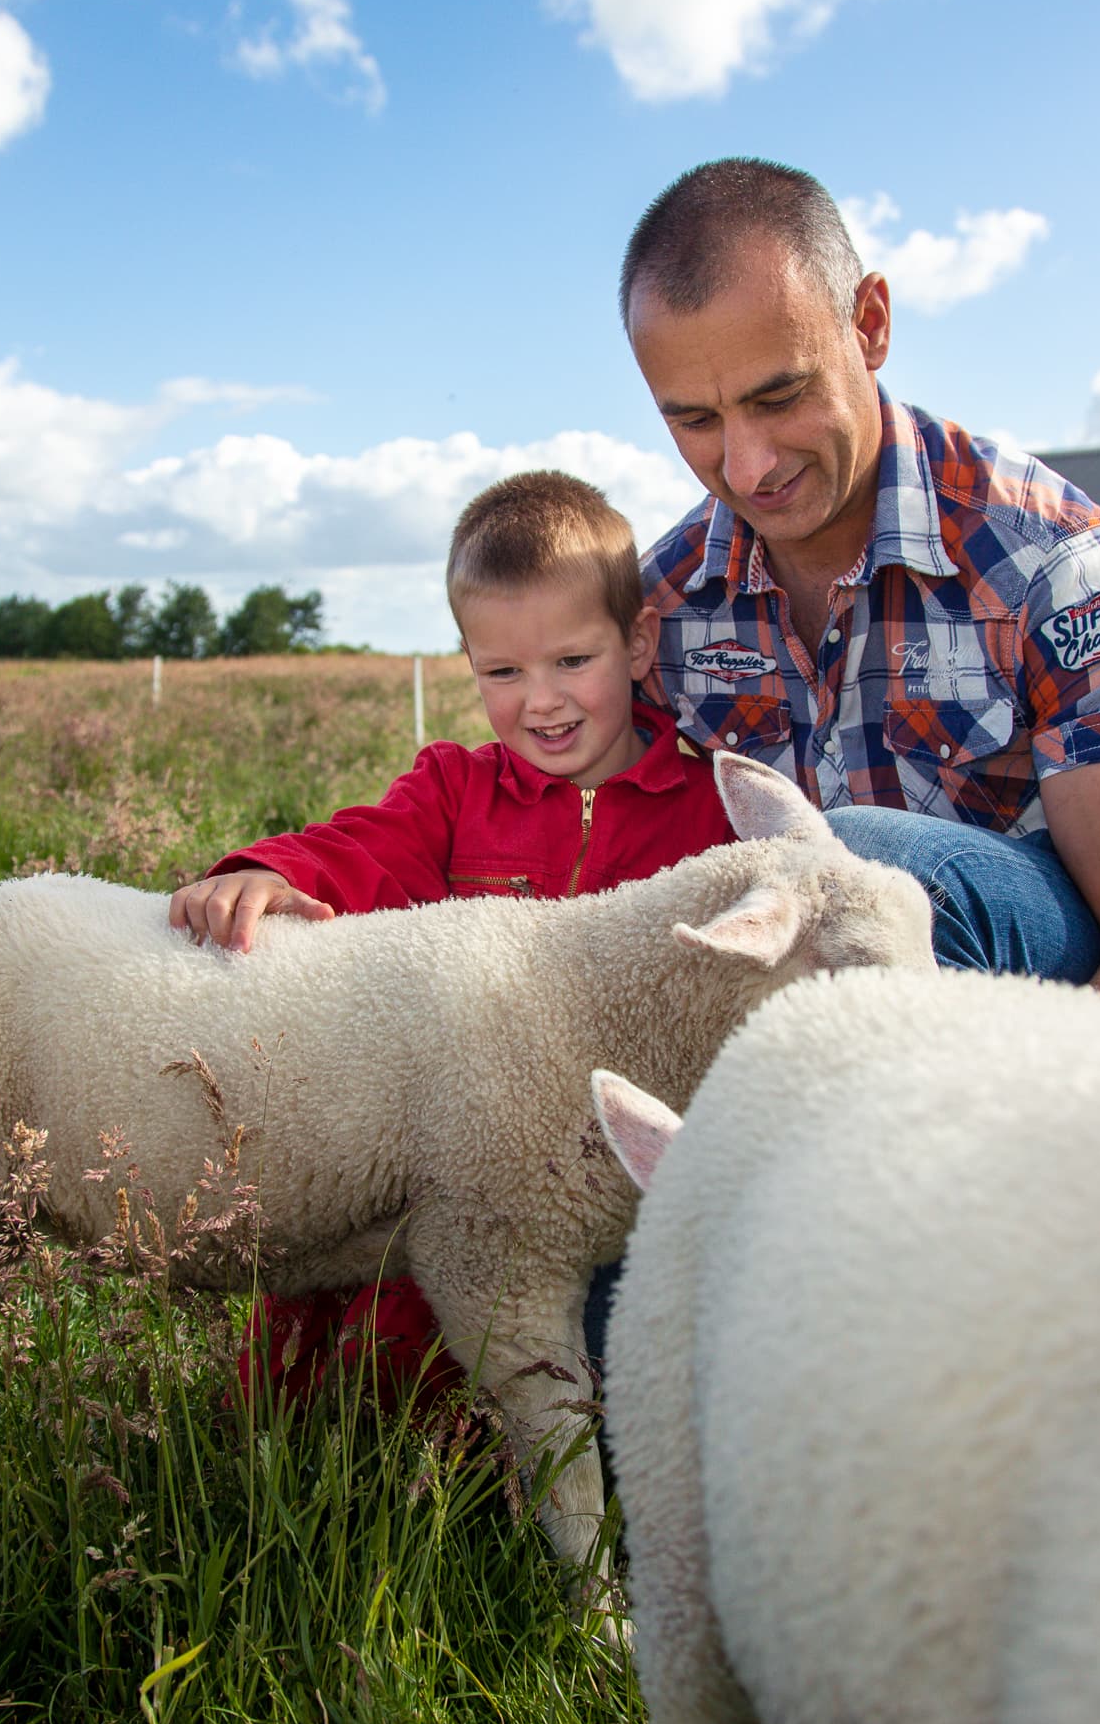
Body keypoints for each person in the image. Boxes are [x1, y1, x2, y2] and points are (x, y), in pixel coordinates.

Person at [167, 470, 741, 1410]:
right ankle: (327, 1463)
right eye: (502, 673)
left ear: (637, 645)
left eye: (571, 661)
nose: (541, 701)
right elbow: (363, 846)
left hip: (608, 1173)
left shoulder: (708, 817)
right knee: (356, 1342)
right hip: (452, 1150)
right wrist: (271, 873)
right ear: (468, 663)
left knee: (558, 1357)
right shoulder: (455, 791)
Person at [622, 156, 1100, 998]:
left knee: (865, 868)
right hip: (813, 1037)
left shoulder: (1049, 562)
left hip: (1069, 1024)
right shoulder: (659, 608)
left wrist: (1017, 1124)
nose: (748, 465)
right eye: (696, 420)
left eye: (781, 397)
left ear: (871, 324)